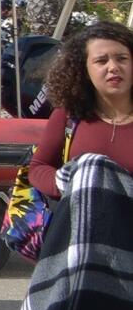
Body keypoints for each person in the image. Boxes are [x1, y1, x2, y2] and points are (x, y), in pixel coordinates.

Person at [27, 21, 133, 198]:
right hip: (79, 222)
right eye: (101, 61)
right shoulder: (68, 115)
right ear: (84, 70)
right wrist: (74, 184)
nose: (113, 67)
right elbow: (38, 168)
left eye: (122, 58)